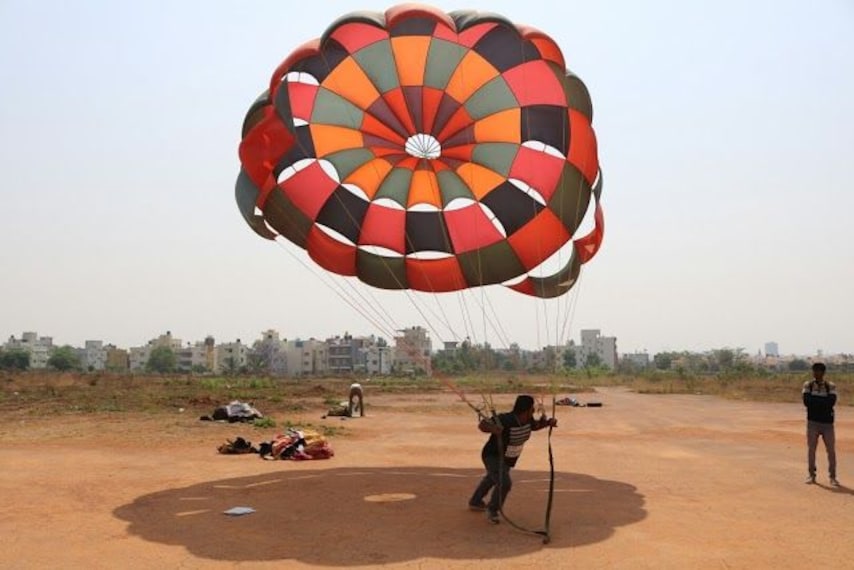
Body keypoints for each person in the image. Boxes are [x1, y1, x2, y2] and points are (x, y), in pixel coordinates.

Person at [468, 395, 557, 524]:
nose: (533, 410)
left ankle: (475, 501)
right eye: (532, 408)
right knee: (504, 483)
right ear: (527, 409)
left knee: (492, 478)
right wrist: (493, 429)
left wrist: (548, 423)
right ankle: (493, 510)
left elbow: (535, 426)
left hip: (508, 458)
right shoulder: (505, 419)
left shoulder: (527, 420)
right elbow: (483, 425)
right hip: (493, 456)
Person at [802, 362, 838, 486]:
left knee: (831, 451)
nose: (815, 373)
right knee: (811, 450)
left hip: (827, 424)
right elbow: (807, 402)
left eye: (818, 371)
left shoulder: (830, 386)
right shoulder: (808, 385)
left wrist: (815, 402)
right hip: (813, 422)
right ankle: (811, 475)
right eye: (814, 371)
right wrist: (822, 402)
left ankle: (833, 477)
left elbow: (831, 402)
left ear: (823, 372)